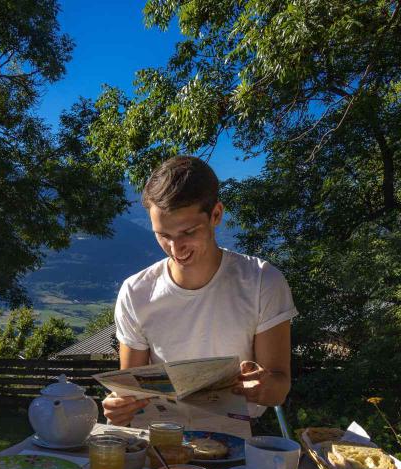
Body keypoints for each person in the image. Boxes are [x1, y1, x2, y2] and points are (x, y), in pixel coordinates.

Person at [103, 156, 297, 426]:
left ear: (216, 214)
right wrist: (120, 405)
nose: (175, 248)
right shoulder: (136, 292)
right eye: (164, 235)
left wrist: (263, 387)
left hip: (240, 436)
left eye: (188, 232)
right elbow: (132, 393)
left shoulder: (262, 281)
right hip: (162, 437)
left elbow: (279, 386)